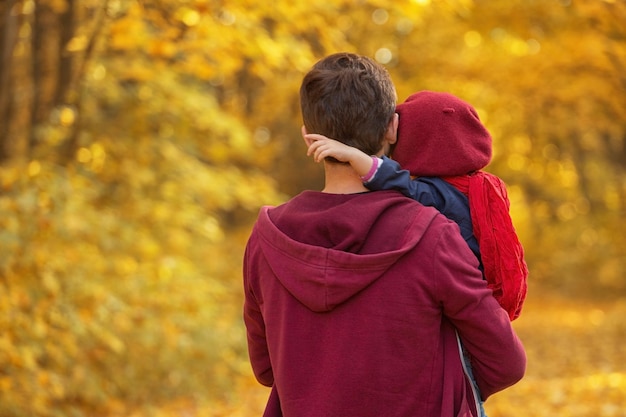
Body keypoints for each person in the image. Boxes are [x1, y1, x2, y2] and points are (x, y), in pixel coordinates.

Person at [243, 53, 526, 417]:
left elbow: (267, 370)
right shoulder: (431, 234)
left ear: (307, 136)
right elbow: (506, 362)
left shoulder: (267, 239)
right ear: (392, 128)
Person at [305, 90, 528, 322]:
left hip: (460, 307)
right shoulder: (474, 187)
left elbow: (406, 189)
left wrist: (359, 159)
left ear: (422, 144)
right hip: (470, 297)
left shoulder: (442, 194)